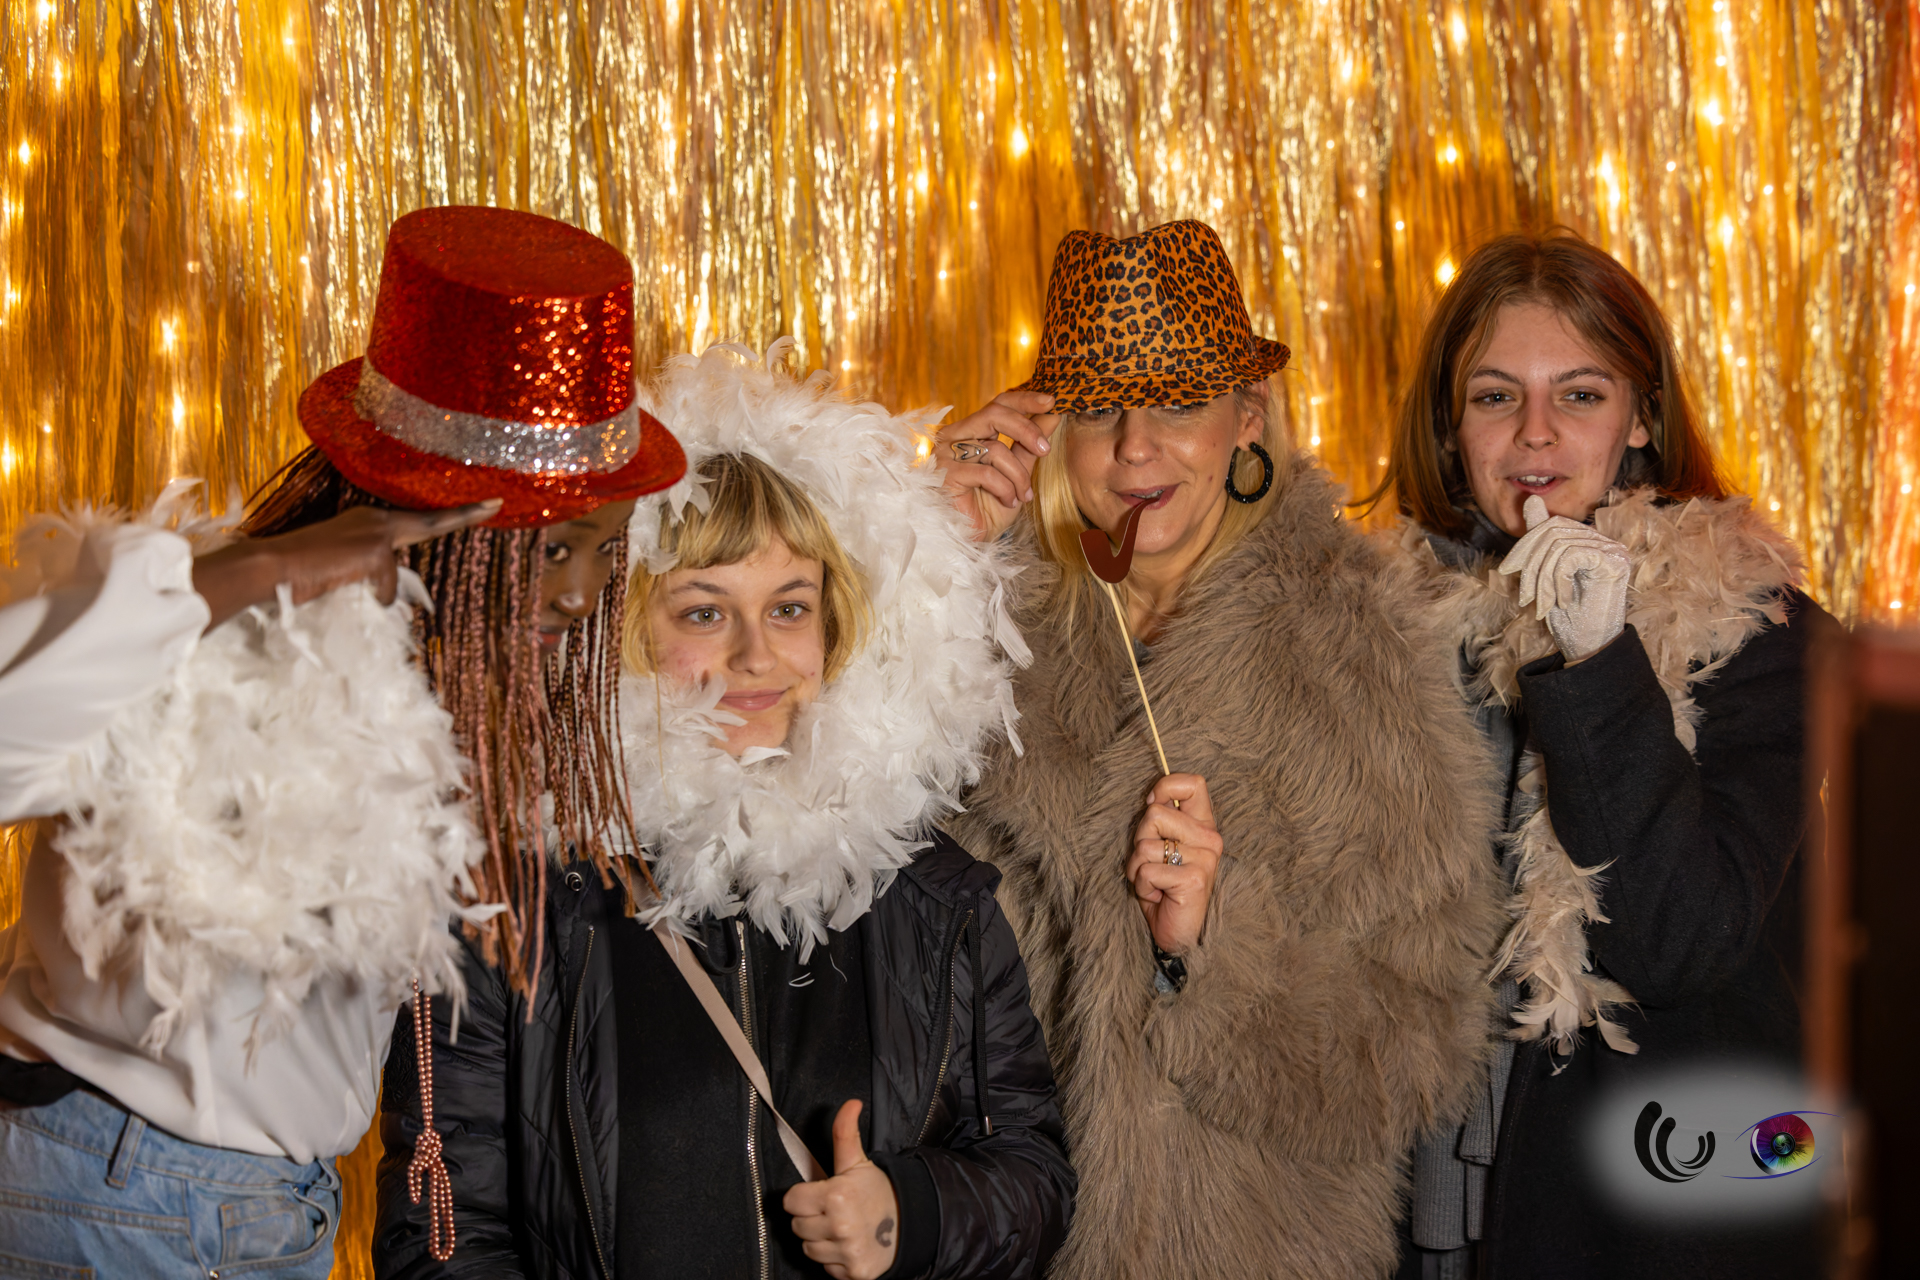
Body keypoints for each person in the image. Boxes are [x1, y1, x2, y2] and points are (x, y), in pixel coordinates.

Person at [0, 204, 685, 1277]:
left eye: (607, 550)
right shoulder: (213, 651)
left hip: (246, 1211)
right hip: (130, 1201)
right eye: (554, 548)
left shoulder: (439, 681)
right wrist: (248, 575)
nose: (583, 592)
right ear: (429, 521)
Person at [373, 342, 1074, 1280]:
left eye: (789, 608)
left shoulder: (934, 895)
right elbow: (440, 1239)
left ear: (834, 625)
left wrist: (905, 1217)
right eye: (704, 612)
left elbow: (1033, 1176)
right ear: (623, 628)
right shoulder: (509, 901)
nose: (756, 656)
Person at [934, 220, 1504, 1280]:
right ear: (1047, 430)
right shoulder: (970, 627)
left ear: (1248, 418)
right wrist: (915, 558)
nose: (1133, 447)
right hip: (996, 1249)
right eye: (1098, 409)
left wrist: (1211, 946)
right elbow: (829, 893)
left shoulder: (1360, 643)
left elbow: (1420, 1051)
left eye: (1177, 404)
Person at [1382, 228, 1827, 1279]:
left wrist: (1599, 657)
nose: (1534, 433)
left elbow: (1678, 940)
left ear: (1642, 418)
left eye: (1579, 394)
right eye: (1495, 396)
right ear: (1451, 427)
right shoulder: (1386, 633)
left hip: (1643, 1220)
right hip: (1417, 1202)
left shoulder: (1756, 633)